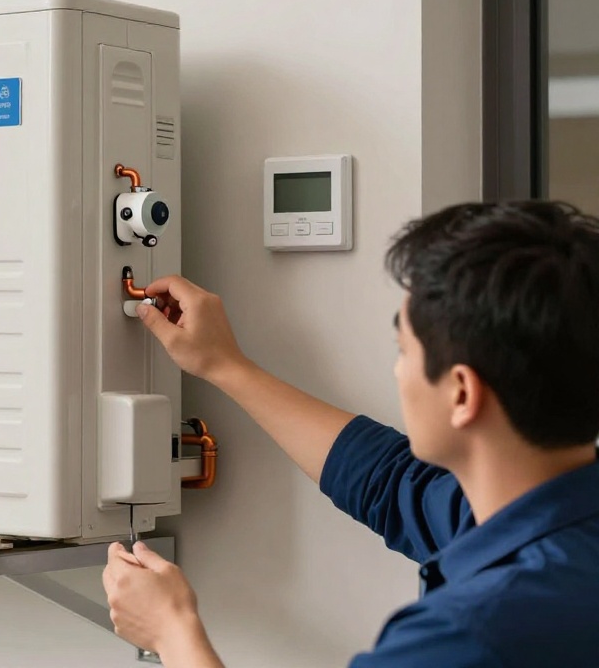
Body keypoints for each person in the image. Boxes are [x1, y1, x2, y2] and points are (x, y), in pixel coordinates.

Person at [101, 200, 599, 667]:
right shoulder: (540, 520)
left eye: (404, 350)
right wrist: (226, 366)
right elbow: (390, 482)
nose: (399, 372)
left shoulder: (470, 633)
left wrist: (172, 630)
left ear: (462, 394)